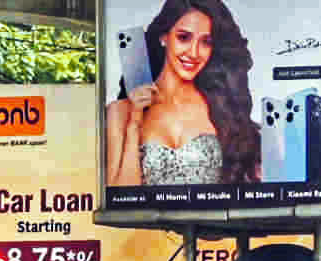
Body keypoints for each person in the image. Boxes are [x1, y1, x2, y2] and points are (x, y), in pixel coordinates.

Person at [105, 0, 261, 187]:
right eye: (184, 37)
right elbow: (122, 199)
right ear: (164, 36)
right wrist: (135, 122)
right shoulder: (119, 112)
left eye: (206, 42)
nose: (194, 53)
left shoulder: (223, 106)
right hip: (150, 216)